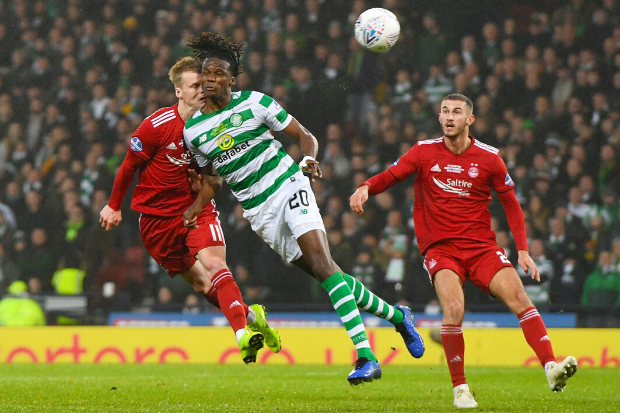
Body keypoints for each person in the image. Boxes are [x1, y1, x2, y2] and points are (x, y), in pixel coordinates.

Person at [182, 32, 425, 385]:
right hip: (259, 212)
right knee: (331, 277)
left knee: (325, 266)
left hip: (288, 185)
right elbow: (213, 180)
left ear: (232, 80)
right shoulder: (194, 131)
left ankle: (366, 355)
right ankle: (398, 317)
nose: (210, 80)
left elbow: (305, 135)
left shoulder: (255, 103)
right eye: (205, 74)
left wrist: (308, 159)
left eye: (218, 74)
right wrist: (196, 205)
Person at [350, 93, 577, 407]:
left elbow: (511, 204)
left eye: (456, 112)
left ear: (469, 120)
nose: (448, 117)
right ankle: (460, 390)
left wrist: (522, 251)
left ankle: (551, 367)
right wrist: (365, 187)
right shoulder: (424, 151)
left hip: (481, 247)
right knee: (454, 309)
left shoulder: (490, 158)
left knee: (519, 297)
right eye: (444, 111)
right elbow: (391, 176)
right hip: (440, 249)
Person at [99, 56, 280, 364]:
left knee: (214, 264)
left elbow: (215, 179)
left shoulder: (213, 126)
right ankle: (250, 317)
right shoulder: (155, 127)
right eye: (194, 86)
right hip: (156, 222)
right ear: (178, 92)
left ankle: (242, 335)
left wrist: (202, 193)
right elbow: (129, 166)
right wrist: (114, 205)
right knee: (200, 283)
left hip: (196, 210)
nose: (201, 90)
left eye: (203, 85)